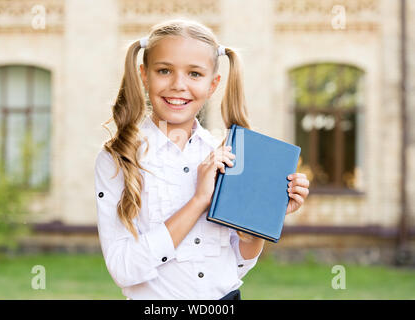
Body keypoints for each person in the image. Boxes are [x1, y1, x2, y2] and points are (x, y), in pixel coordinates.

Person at [94, 18, 310, 300]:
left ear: (212, 84)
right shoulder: (118, 159)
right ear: (144, 75)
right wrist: (199, 201)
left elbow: (238, 263)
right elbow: (123, 268)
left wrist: (264, 216)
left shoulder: (226, 154)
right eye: (164, 70)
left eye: (194, 74)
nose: (178, 85)